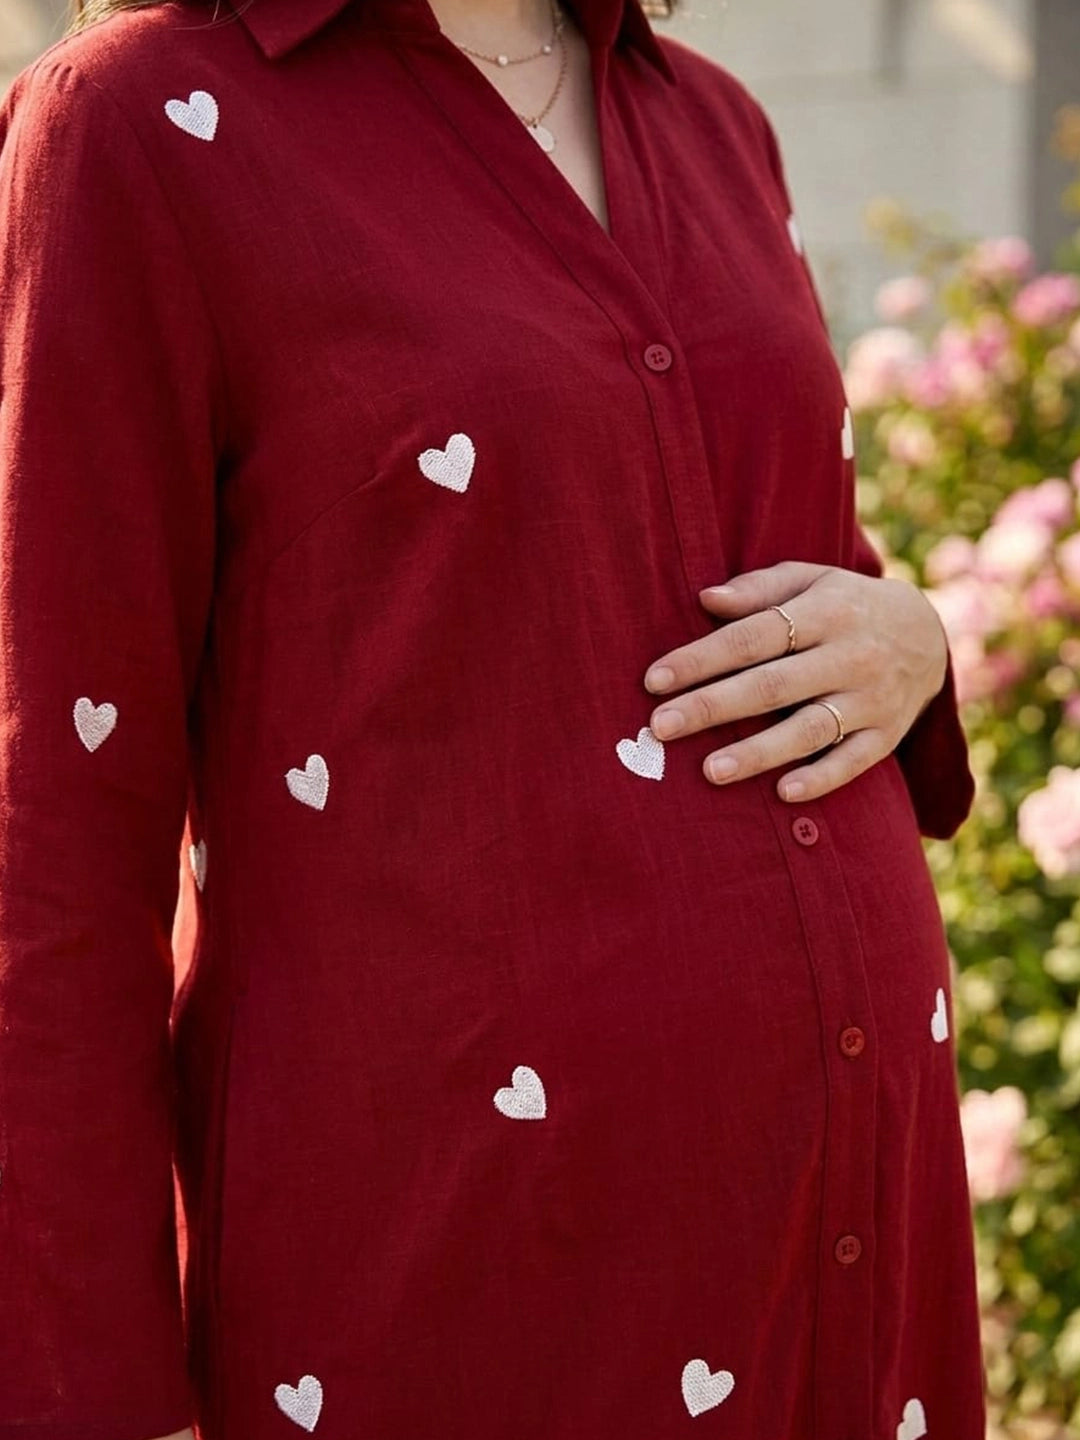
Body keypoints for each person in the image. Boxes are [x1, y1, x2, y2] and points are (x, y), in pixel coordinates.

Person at [0, 0, 988, 1434]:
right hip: (457, 1264)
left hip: (851, 1231)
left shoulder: (711, 119)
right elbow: (52, 821)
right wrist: (80, 1396)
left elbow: (730, 564)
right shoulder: (137, 125)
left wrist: (914, 641)